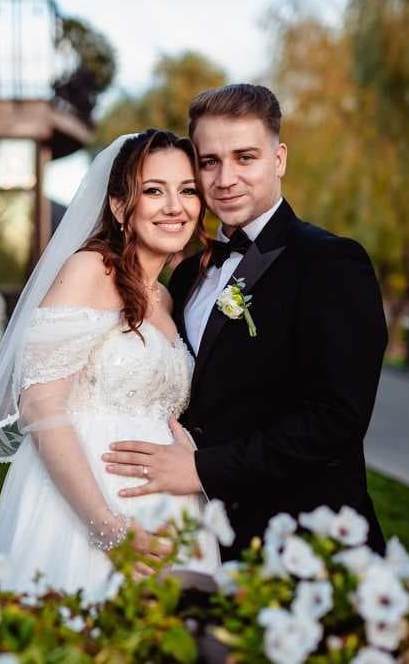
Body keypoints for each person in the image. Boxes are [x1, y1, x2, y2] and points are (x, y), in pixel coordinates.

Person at [103, 84, 388, 557]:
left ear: (278, 160)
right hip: (200, 534)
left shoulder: (330, 263)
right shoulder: (188, 271)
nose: (225, 178)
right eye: (209, 161)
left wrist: (202, 469)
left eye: (245, 158)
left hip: (304, 542)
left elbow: (336, 420)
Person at [0, 129, 221, 594]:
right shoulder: (90, 270)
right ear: (121, 206)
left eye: (187, 191)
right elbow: (41, 405)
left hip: (168, 510)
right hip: (85, 510)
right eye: (153, 190)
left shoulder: (163, 297)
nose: (174, 206)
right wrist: (108, 529)